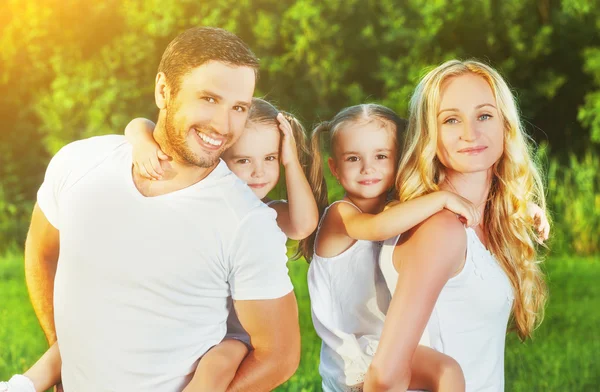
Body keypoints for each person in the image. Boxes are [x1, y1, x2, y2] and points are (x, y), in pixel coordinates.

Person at [5, 26, 300, 392]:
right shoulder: (79, 162)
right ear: (164, 90)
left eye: (238, 107)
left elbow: (279, 355)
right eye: (208, 99)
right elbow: (41, 251)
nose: (224, 126)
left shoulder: (247, 223)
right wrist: (63, 350)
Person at [365, 60, 550, 392]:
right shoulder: (441, 231)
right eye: (451, 120)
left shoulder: (482, 222)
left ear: (505, 125)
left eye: (484, 115)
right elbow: (384, 377)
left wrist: (519, 206)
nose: (470, 133)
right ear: (430, 135)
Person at [121, 97, 318, 390]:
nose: (259, 172)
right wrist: (140, 141)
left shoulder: (267, 215)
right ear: (218, 156)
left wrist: (290, 161)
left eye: (270, 158)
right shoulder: (198, 203)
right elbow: (141, 123)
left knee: (217, 364)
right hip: (187, 324)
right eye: (243, 160)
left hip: (237, 336)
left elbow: (303, 225)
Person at [304, 103, 483, 392]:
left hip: (387, 350)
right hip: (358, 361)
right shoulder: (340, 215)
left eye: (381, 156)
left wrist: (522, 208)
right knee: (446, 372)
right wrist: (441, 199)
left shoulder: (397, 210)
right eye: (353, 158)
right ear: (335, 169)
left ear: (398, 160)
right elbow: (376, 228)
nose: (367, 168)